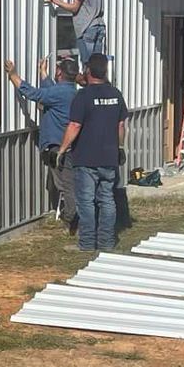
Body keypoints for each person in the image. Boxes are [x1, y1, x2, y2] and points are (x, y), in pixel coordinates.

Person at [60, 51, 128, 253]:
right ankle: (107, 243)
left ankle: (87, 244)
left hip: (86, 158)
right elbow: (121, 125)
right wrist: (120, 147)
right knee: (107, 199)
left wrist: (62, 150)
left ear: (88, 70)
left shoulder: (83, 96)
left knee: (86, 202)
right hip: (109, 157)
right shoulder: (115, 94)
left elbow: (74, 125)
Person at [6, 56, 80, 230]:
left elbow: (33, 93)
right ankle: (73, 215)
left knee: (65, 184)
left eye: (57, 68)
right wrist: (43, 72)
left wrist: (13, 75)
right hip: (68, 145)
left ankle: (72, 218)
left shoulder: (59, 93)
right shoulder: (70, 91)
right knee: (65, 182)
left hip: (58, 147)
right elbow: (50, 92)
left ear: (60, 72)